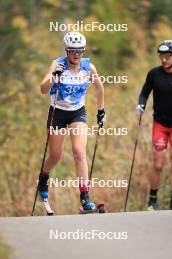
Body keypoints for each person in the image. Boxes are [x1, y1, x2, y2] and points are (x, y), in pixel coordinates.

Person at [39, 32, 106, 212]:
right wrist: (54, 76)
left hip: (77, 113)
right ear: (67, 51)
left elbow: (99, 89)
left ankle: (85, 197)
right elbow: (43, 89)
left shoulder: (88, 67)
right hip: (57, 113)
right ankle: (43, 177)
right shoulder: (57, 64)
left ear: (83, 51)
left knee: (79, 152)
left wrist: (101, 111)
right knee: (55, 155)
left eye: (79, 51)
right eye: (72, 51)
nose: (76, 55)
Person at [136, 40, 172, 211]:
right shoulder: (154, 74)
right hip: (159, 123)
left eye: (167, 56)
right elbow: (144, 93)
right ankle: (152, 199)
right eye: (162, 56)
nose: (164, 60)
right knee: (158, 163)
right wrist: (141, 104)